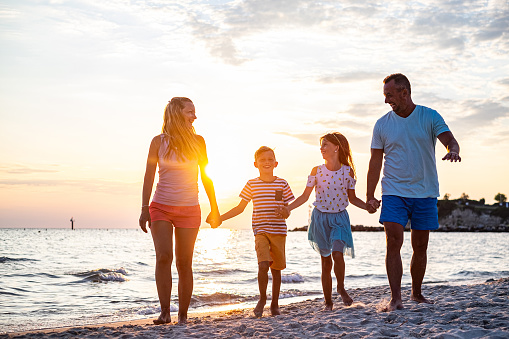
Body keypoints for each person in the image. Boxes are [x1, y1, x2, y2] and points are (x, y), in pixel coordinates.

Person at [366, 73, 461, 312]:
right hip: (393, 191)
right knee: (393, 242)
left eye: (390, 95)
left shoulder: (429, 116)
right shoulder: (382, 124)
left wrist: (453, 150)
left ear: (404, 93)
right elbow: (374, 163)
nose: (387, 100)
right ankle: (396, 297)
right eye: (385, 95)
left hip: (425, 191)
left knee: (420, 246)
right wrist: (369, 195)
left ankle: (416, 293)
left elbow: (449, 139)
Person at [139, 97, 221, 325]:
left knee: (184, 262)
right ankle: (165, 312)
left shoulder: (198, 141)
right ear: (176, 113)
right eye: (190, 112)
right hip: (161, 206)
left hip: (189, 208)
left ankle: (183, 315)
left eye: (194, 112)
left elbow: (206, 176)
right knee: (164, 257)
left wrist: (214, 208)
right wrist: (144, 208)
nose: (195, 116)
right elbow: (148, 177)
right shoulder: (158, 142)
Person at [279, 133, 373, 311]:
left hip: (339, 218)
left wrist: (367, 207)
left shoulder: (347, 171)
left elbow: (352, 198)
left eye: (325, 145)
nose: (321, 148)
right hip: (320, 218)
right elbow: (305, 196)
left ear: (336, 147)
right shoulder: (317, 171)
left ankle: (341, 287)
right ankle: (328, 302)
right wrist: (288, 208)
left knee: (337, 254)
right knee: (325, 262)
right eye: (321, 145)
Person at [219, 146, 294, 317]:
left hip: (279, 231)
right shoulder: (252, 184)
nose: (266, 163)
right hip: (260, 230)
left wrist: (285, 212)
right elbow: (240, 208)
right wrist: (221, 218)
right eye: (262, 160)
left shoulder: (282, 183)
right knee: (262, 265)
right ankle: (262, 299)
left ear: (276, 163)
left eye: (270, 159)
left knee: (276, 270)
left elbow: (288, 211)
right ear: (255, 164)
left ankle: (275, 304)